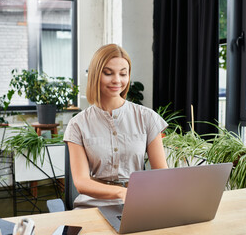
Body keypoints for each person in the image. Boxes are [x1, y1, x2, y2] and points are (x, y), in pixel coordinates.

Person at [63, 44, 168, 209]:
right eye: (108, 73)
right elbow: (81, 183)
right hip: (93, 206)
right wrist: (121, 193)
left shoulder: (147, 118)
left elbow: (162, 174)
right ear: (96, 74)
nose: (117, 80)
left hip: (137, 203)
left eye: (123, 74)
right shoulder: (78, 124)